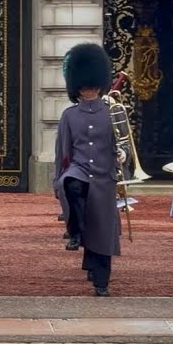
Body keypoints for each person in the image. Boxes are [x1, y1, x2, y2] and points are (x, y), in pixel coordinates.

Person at [54, 43, 124, 296]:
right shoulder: (69, 115)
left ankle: (101, 282)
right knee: (71, 184)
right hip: (80, 170)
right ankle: (75, 231)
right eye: (84, 86)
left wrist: (123, 156)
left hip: (105, 177)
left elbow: (123, 145)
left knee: (102, 234)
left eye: (92, 85)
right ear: (77, 88)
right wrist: (57, 182)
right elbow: (63, 153)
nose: (89, 89)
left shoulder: (112, 112)